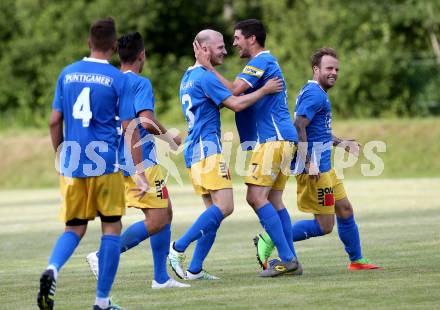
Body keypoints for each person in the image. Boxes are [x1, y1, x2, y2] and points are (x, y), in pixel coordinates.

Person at [37, 18, 148, 310]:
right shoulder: (117, 79)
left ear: (88, 43)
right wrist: (138, 171)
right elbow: (129, 127)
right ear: (114, 46)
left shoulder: (67, 73)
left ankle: (52, 269)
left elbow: (53, 121)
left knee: (73, 228)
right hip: (106, 165)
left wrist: (61, 153)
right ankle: (101, 302)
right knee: (111, 229)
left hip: (73, 165)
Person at [168, 29, 284, 280]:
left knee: (213, 214)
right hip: (207, 150)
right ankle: (178, 248)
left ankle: (195, 269)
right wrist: (264, 91)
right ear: (205, 49)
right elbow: (236, 103)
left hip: (194, 150)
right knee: (226, 207)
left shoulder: (188, 76)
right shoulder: (204, 76)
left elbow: (222, 100)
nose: (225, 49)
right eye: (220, 46)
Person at [254, 47, 382, 271]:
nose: (334, 72)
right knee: (324, 226)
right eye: (329, 68)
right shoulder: (314, 94)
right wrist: (306, 162)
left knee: (345, 209)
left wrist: (342, 143)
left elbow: (318, 131)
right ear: (316, 69)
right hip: (315, 169)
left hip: (326, 167)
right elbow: (299, 126)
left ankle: (357, 260)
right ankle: (271, 239)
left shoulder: (317, 93)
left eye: (336, 69)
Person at [194, 19, 300, 277]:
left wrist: (207, 68)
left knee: (255, 197)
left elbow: (232, 89)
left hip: (273, 140)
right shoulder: (264, 64)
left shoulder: (261, 61)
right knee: (274, 200)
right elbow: (236, 99)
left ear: (251, 38)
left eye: (237, 37)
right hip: (283, 139)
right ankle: (291, 259)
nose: (234, 43)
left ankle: (287, 259)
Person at [85, 32, 190, 290]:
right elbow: (145, 121)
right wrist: (170, 138)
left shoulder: (108, 83)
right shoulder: (139, 83)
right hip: (140, 160)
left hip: (115, 160)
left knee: (165, 211)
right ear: (141, 56)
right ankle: (102, 256)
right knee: (157, 219)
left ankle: (161, 279)